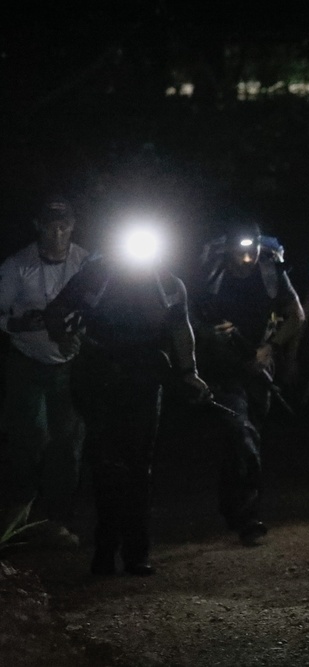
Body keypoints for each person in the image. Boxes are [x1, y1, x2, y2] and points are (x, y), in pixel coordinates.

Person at [44, 222, 210, 575]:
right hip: (99, 376)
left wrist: (188, 372)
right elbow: (56, 311)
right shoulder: (97, 275)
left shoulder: (167, 284)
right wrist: (63, 337)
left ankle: (137, 553)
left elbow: (181, 329)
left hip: (144, 378)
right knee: (105, 464)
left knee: (139, 467)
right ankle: (104, 552)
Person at [190, 219, 305, 546]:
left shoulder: (270, 272)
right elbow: (184, 319)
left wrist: (270, 349)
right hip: (222, 371)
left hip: (258, 370)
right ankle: (249, 517)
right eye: (240, 252)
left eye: (252, 251)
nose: (246, 258)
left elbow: (296, 316)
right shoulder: (210, 276)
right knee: (242, 434)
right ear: (227, 248)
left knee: (244, 438)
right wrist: (209, 335)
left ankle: (232, 506)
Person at [0, 195, 89, 547]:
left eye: (63, 224)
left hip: (70, 367)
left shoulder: (86, 263)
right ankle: (17, 516)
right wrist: (17, 324)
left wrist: (80, 339)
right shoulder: (17, 266)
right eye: (50, 224)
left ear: (73, 225)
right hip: (28, 365)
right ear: (38, 225)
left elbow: (99, 309)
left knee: (68, 445)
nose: (57, 231)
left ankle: (57, 520)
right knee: (28, 440)